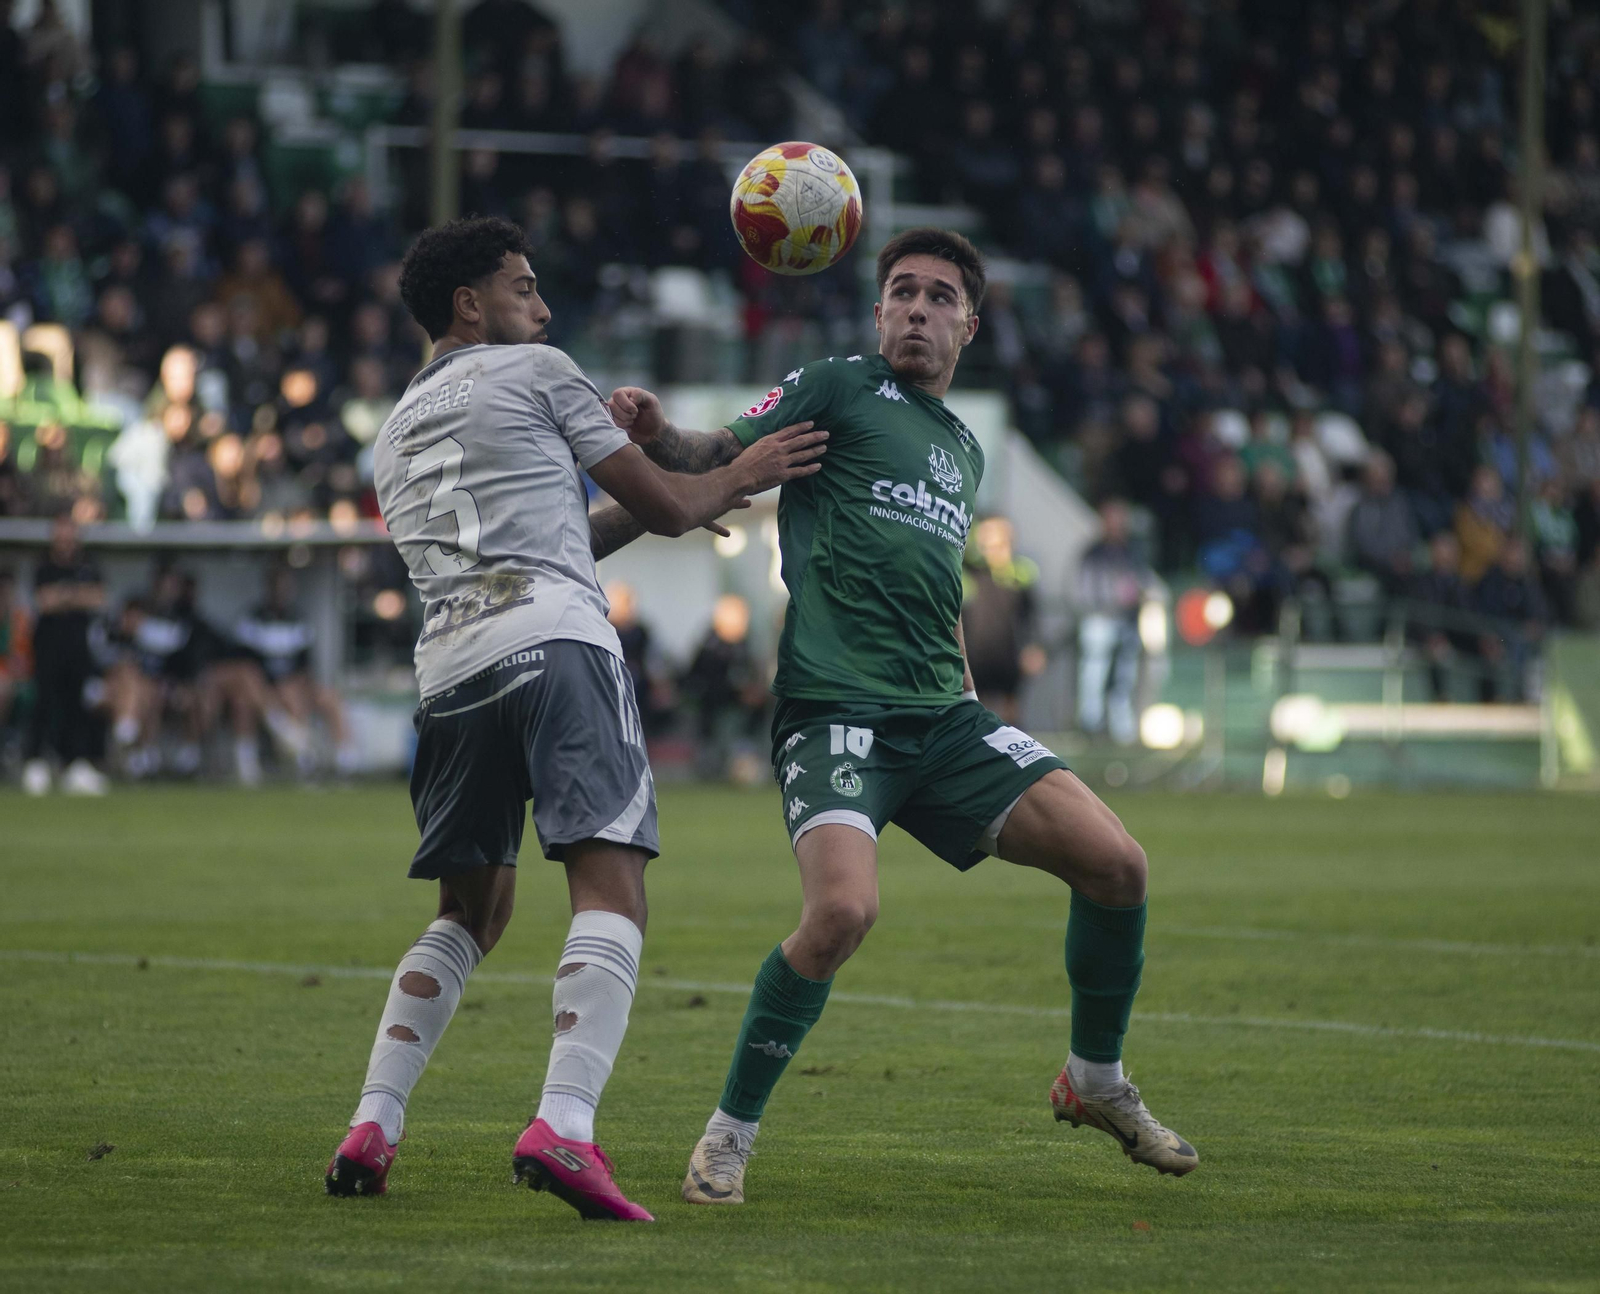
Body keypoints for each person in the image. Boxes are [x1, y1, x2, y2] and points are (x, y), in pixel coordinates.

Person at [608, 227, 1197, 1206]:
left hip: (948, 720)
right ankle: (728, 1132)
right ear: (879, 312)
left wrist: (969, 698)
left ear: (969, 322)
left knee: (1119, 865)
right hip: (837, 715)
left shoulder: (965, 450)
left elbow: (930, 589)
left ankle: (1094, 1080)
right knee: (841, 911)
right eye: (901, 293)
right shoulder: (837, 388)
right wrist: (660, 432)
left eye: (937, 297)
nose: (916, 309)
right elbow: (718, 452)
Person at [324, 216, 826, 1218]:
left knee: (468, 913)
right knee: (610, 889)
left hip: (451, 675)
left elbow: (559, 530)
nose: (542, 308)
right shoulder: (539, 370)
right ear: (470, 304)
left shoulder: (395, 429)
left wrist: (666, 491)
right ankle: (564, 1124)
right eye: (522, 287)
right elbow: (681, 509)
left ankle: (373, 1120)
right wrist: (736, 472)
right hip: (556, 648)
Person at [22, 515, 109, 796]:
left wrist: (64, 595)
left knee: (77, 707)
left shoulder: (88, 564)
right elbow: (44, 601)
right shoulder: (43, 565)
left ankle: (76, 766)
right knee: (45, 704)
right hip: (48, 648)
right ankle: (35, 763)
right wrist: (74, 595)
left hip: (78, 648)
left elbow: (98, 598)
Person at [1076, 499, 1153, 745]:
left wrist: (1137, 596)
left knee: (1124, 676)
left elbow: (1142, 583)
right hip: (1100, 620)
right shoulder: (1092, 552)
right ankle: (1090, 722)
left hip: (1127, 622)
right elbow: (1083, 591)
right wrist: (1107, 606)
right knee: (1094, 671)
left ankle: (1122, 728)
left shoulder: (1132, 552)